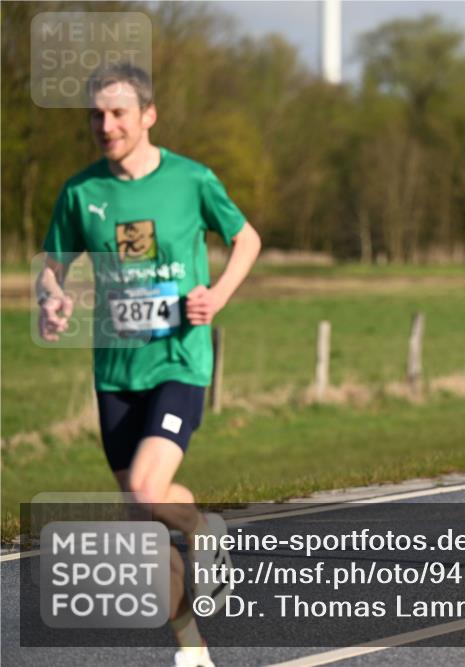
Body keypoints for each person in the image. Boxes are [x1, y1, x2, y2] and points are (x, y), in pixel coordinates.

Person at [36, 64, 261, 667]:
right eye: (96, 115)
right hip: (115, 372)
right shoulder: (80, 192)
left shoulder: (191, 180)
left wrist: (218, 294)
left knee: (143, 487)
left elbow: (246, 239)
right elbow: (53, 267)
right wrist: (50, 299)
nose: (105, 125)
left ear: (148, 115)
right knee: (143, 516)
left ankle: (201, 534)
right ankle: (193, 648)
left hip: (178, 360)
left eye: (118, 113)